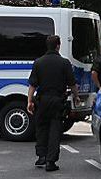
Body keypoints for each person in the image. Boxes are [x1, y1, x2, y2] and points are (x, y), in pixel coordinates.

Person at [28, 35, 80, 172]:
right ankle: (51, 161)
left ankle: (41, 156)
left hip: (42, 100)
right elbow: (72, 84)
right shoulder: (64, 63)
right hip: (57, 101)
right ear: (58, 45)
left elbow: (32, 85)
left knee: (41, 129)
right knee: (55, 130)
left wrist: (29, 101)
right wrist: (76, 97)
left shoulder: (38, 62)